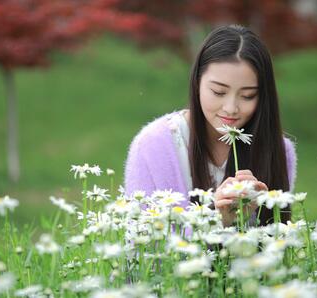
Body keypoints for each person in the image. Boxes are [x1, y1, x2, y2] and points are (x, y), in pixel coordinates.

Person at [123, 24, 297, 227]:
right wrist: (217, 221)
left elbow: (276, 240)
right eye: (218, 92)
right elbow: (143, 246)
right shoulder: (155, 146)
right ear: (197, 82)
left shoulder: (278, 150)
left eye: (248, 96)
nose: (231, 108)